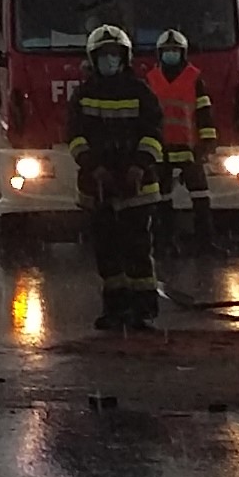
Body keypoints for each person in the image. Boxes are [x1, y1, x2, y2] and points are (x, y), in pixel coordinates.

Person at [67, 23, 167, 332]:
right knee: (107, 252)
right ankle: (115, 309)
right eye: (103, 55)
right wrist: (93, 167)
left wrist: (139, 166)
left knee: (138, 250)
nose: (109, 60)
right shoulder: (84, 94)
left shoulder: (141, 92)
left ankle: (143, 312)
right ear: (93, 58)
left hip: (137, 186)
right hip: (99, 187)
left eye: (114, 54)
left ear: (124, 57)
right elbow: (75, 137)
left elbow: (153, 134)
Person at [139, 27, 221, 246]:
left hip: (189, 148)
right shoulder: (150, 79)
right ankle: (165, 240)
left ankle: (205, 241)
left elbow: (204, 113)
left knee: (200, 195)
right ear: (159, 53)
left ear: (183, 53)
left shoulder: (194, 78)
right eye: (167, 50)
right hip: (160, 148)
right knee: (162, 197)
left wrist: (206, 144)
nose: (171, 54)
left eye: (175, 50)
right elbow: (144, 116)